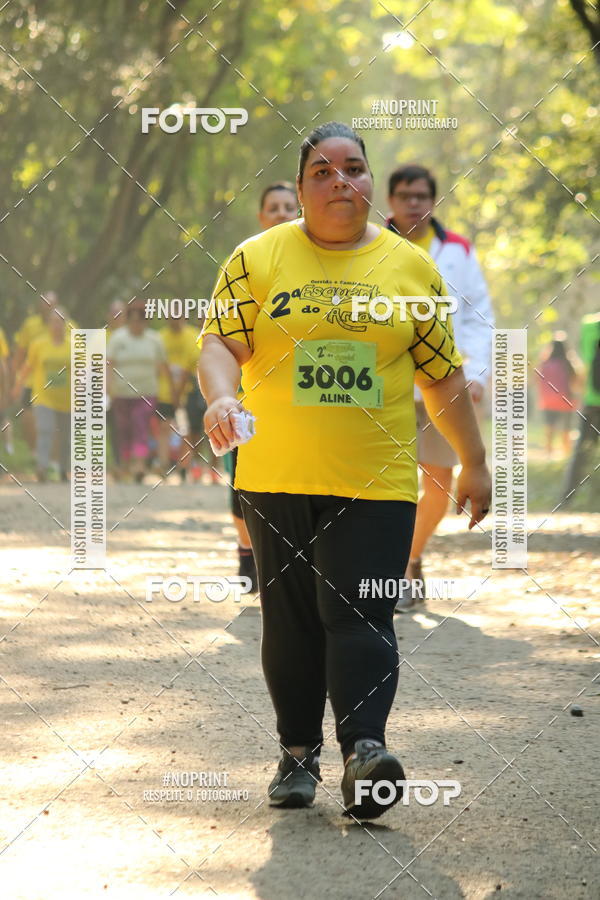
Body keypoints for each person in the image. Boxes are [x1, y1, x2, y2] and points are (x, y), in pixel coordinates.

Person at [198, 122, 491, 820]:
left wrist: (476, 463)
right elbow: (218, 342)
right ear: (300, 190)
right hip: (276, 475)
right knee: (292, 621)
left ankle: (365, 751)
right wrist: (220, 395)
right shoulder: (257, 258)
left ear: (371, 182)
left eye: (353, 169)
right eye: (321, 172)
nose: (340, 182)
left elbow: (442, 380)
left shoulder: (411, 268)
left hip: (377, 480)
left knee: (360, 613)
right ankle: (297, 753)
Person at [386, 164, 494, 610]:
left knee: (440, 481)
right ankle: (385, 571)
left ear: (433, 201)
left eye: (422, 196)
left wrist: (478, 373)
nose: (414, 203)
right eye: (406, 195)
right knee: (385, 485)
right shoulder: (370, 246)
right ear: (390, 201)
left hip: (444, 384)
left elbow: (477, 314)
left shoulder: (458, 251)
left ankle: (410, 560)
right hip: (384, 386)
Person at [225, 181, 298, 590]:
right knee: (242, 483)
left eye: (290, 206)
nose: (283, 213)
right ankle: (246, 551)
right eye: (274, 207)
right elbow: (222, 336)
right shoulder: (246, 262)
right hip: (246, 396)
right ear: (261, 215)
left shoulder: (320, 263)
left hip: (301, 398)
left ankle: (288, 558)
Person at [107, 299, 173, 483]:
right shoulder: (118, 338)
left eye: (141, 321)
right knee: (124, 428)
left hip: (146, 393)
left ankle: (139, 465)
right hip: (121, 393)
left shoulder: (154, 339)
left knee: (140, 425)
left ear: (146, 322)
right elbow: (109, 364)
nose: (137, 325)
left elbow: (163, 366)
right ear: (128, 320)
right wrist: (107, 387)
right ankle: (125, 464)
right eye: (134, 320)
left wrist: (171, 391)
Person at [12, 306, 71, 481]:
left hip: (67, 399)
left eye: (60, 322)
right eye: (53, 322)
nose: (56, 325)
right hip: (43, 396)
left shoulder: (75, 345)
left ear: (65, 324)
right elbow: (27, 367)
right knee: (45, 430)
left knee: (65, 435)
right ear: (49, 324)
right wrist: (17, 386)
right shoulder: (38, 344)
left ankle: (63, 469)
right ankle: (42, 467)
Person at [561, 312, 600, 505]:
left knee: (581, 452)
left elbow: (584, 358)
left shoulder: (588, 325)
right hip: (591, 400)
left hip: (592, 400)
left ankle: (567, 496)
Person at [156, 312, 201, 479]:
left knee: (185, 429)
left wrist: (179, 392)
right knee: (164, 427)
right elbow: (158, 365)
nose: (174, 320)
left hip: (187, 393)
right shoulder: (159, 337)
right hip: (164, 393)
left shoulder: (193, 336)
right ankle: (163, 465)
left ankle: (184, 466)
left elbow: (190, 367)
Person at [536, 332, 579, 456]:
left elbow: (537, 380)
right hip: (565, 401)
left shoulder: (544, 364)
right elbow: (576, 381)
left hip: (548, 401)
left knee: (549, 427)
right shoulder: (569, 364)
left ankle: (548, 452)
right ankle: (567, 453)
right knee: (566, 429)